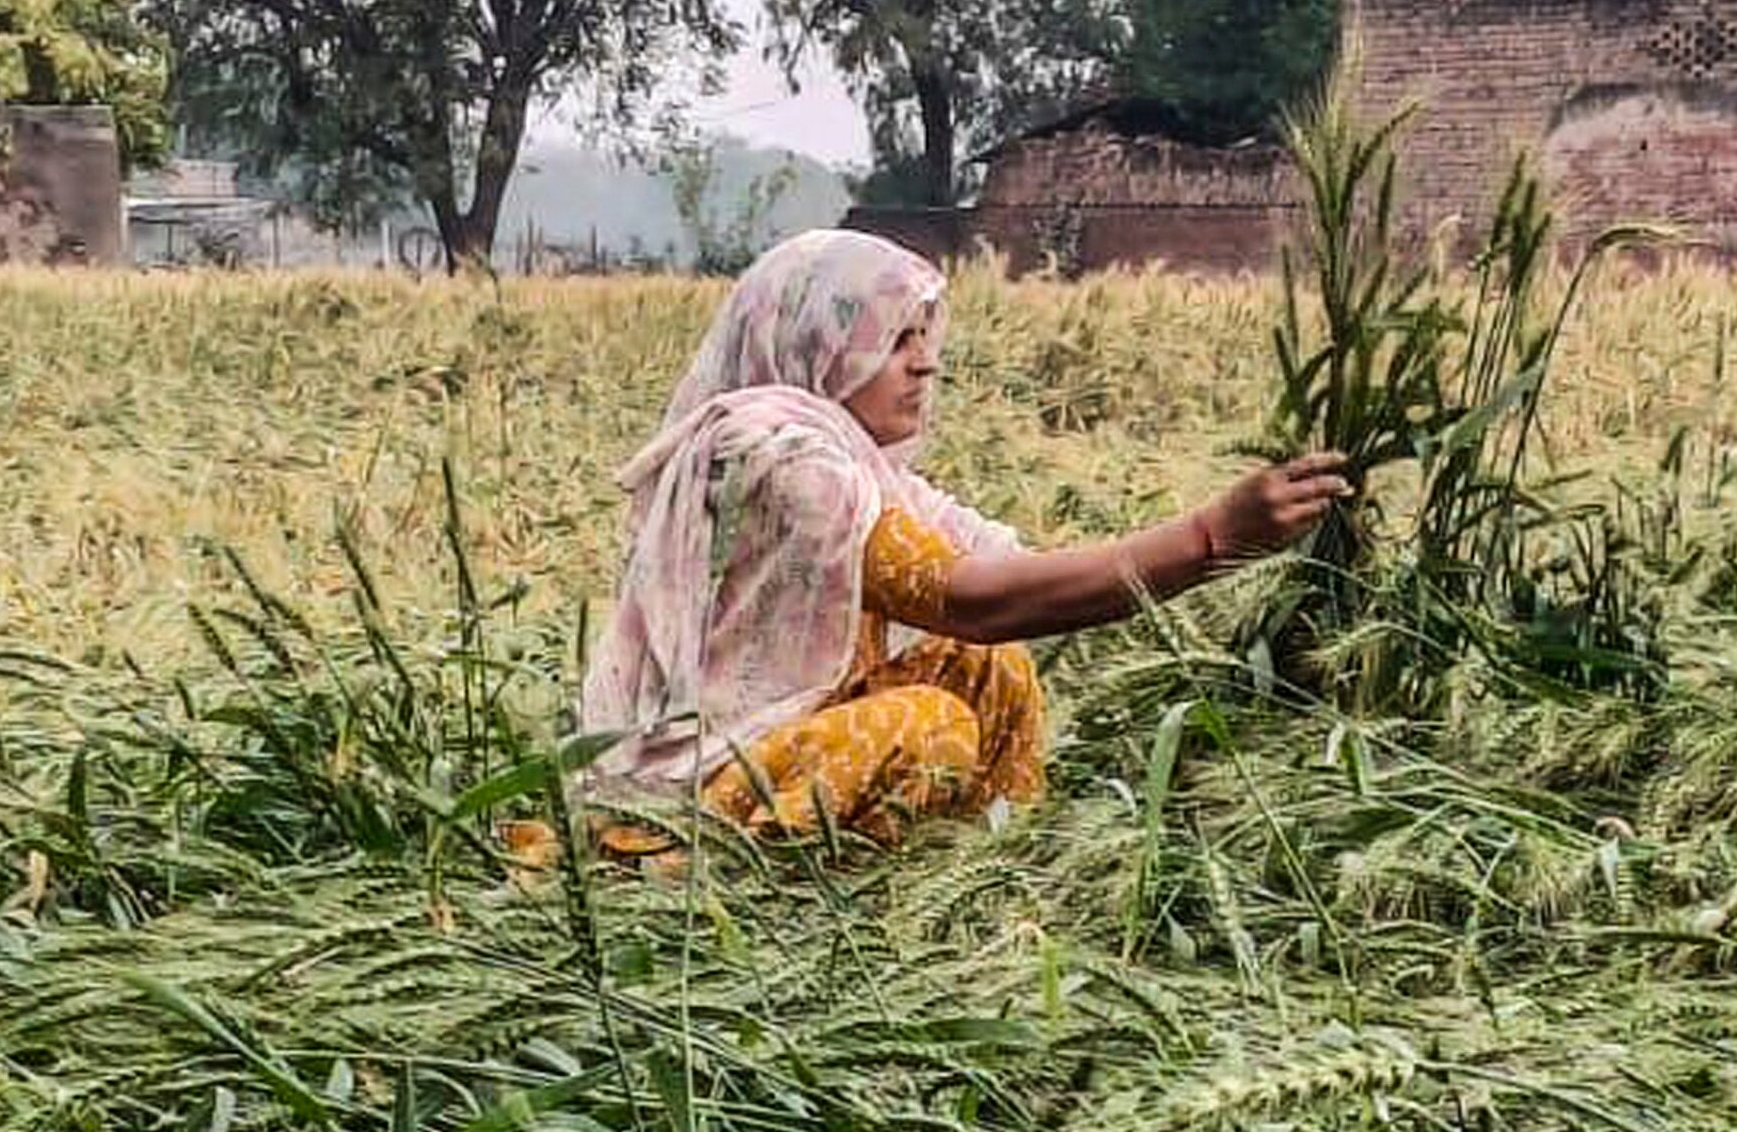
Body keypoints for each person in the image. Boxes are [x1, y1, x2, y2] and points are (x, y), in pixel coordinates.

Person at [560, 228, 1350, 848]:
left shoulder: (858, 463)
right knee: (926, 727)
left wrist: (1214, 532)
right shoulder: (776, 455)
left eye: (922, 337)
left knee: (988, 671)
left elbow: (1003, 568)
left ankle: (981, 864)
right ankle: (745, 884)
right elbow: (972, 599)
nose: (923, 363)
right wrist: (1212, 536)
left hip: (786, 737)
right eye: (892, 340)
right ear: (811, 343)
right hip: (704, 772)